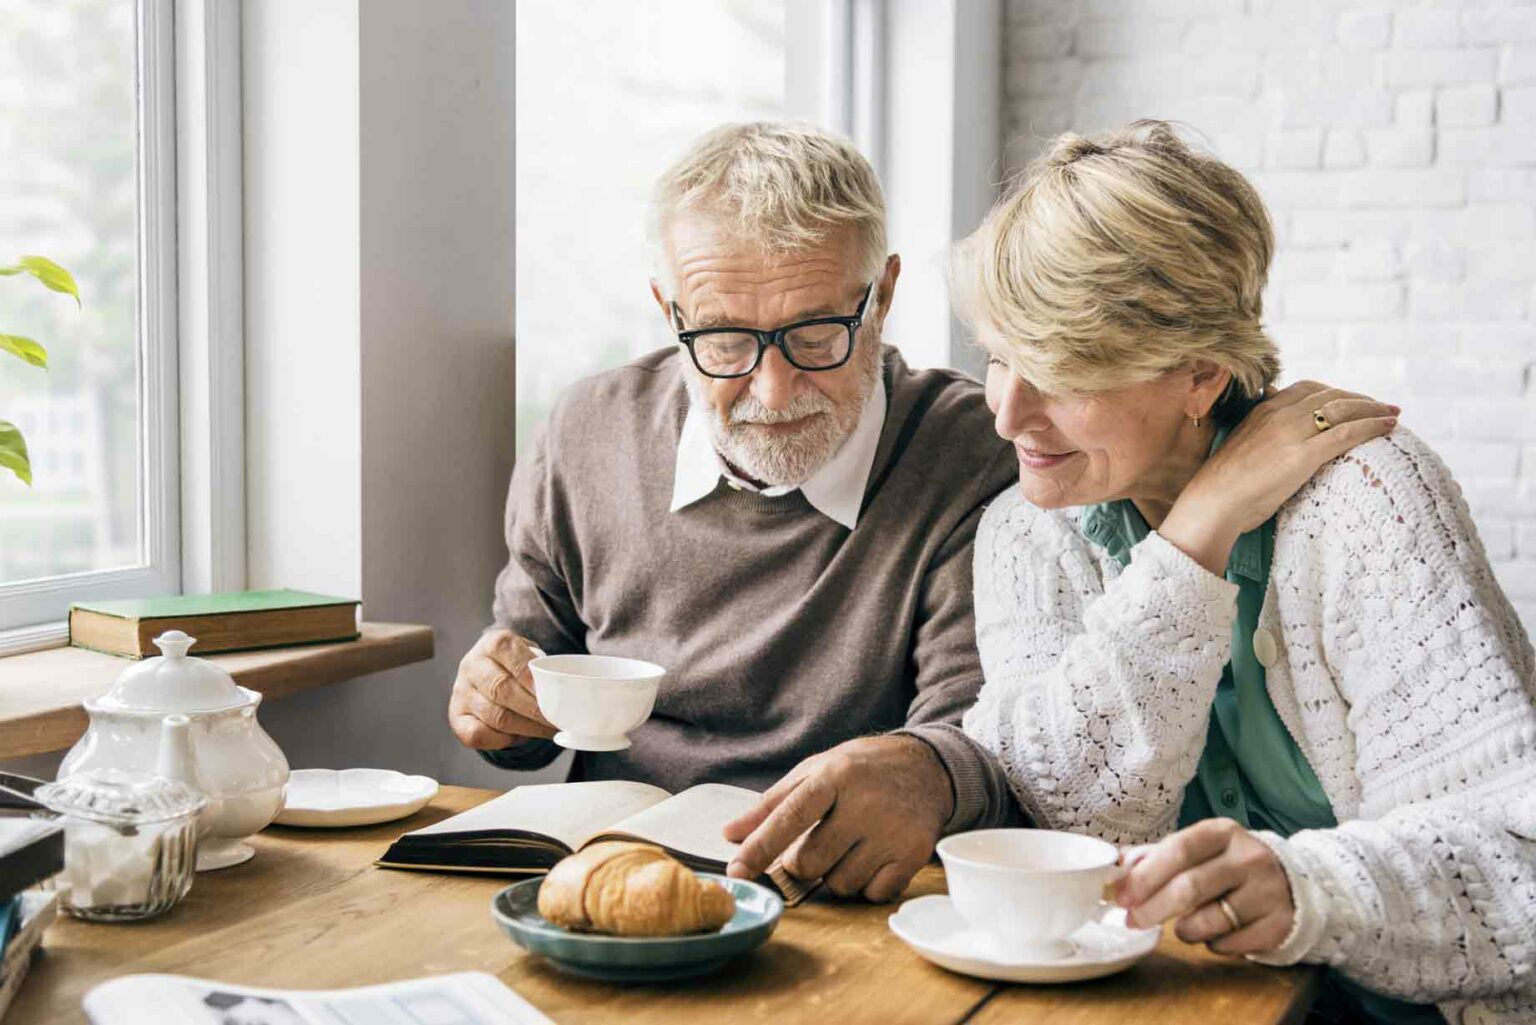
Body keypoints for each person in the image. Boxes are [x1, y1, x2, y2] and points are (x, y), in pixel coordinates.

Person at [955, 121, 1536, 1024]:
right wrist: (1198, 532)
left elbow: (1517, 864)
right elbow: (1066, 819)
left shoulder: (1369, 497)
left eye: (1062, 369)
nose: (1008, 414)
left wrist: (1305, 889)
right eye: (998, 357)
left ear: (1200, 373)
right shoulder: (1026, 533)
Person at [449, 121, 1019, 902]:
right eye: (722, 340)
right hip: (609, 878)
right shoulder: (586, 432)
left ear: (882, 297)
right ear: (669, 309)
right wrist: (496, 699)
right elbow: (529, 687)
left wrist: (933, 772)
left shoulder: (971, 453)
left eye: (818, 334)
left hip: (852, 891)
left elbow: (986, 738)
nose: (774, 391)